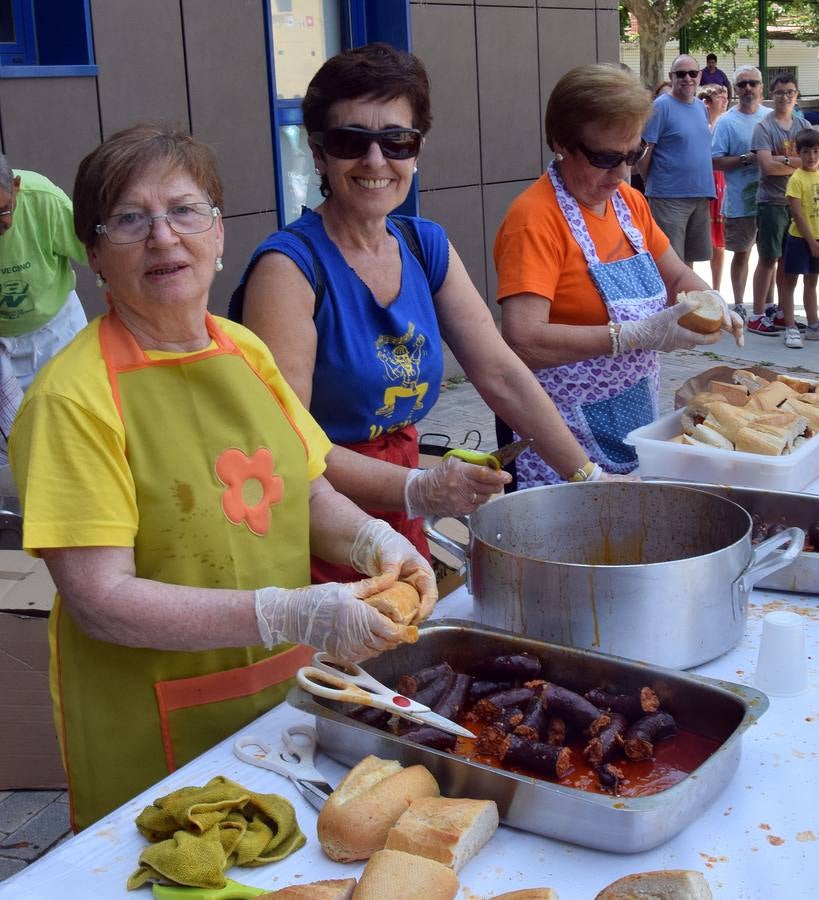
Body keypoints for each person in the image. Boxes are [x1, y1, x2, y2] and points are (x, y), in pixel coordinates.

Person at [8, 123, 436, 832]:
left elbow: (306, 489)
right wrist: (288, 612)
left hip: (281, 702)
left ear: (219, 233)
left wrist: (372, 541)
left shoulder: (243, 349)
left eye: (185, 210)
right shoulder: (70, 399)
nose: (164, 238)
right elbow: (100, 601)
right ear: (92, 254)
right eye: (129, 220)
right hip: (153, 730)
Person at [233, 43, 600, 577]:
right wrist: (418, 488)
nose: (376, 161)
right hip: (318, 520)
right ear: (318, 153)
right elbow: (291, 445)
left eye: (396, 141)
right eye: (349, 141)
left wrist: (588, 476)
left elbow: (500, 372)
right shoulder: (289, 270)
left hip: (401, 508)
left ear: (417, 149)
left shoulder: (425, 245)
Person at [494, 65, 743, 483]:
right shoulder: (534, 219)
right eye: (605, 158)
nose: (621, 174)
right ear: (560, 142)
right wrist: (629, 337)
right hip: (557, 434)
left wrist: (712, 299)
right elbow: (523, 340)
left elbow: (677, 275)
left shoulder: (629, 203)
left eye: (632, 155)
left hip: (630, 415)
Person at [0, 157, 89, 457]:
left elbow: (99, 256)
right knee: (14, 444)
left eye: (1, 211)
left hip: (57, 327)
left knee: (76, 420)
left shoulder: (45, 201)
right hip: (2, 339)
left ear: (16, 188)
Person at [637, 55, 716, 268]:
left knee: (689, 263)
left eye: (692, 73)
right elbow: (643, 153)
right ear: (672, 77)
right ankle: (673, 303)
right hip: (669, 198)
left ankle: (688, 302)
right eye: (681, 74)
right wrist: (653, 184)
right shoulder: (660, 107)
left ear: (700, 76)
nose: (687, 78)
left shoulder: (701, 107)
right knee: (670, 263)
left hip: (700, 196)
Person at [749, 72, 808, 336]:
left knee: (789, 260)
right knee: (768, 258)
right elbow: (766, 167)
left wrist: (781, 160)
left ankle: (785, 313)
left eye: (790, 92)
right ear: (772, 96)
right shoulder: (763, 127)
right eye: (780, 92)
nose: (785, 96)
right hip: (771, 203)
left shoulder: (803, 126)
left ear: (796, 96)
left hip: (797, 203)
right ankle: (758, 314)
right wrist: (794, 163)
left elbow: (813, 164)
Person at [710, 66, 770, 321]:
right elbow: (714, 161)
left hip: (772, 200)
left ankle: (768, 305)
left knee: (770, 255)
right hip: (740, 203)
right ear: (735, 89)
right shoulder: (726, 121)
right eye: (743, 84)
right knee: (742, 253)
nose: (748, 88)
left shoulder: (771, 117)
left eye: (753, 83)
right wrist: (746, 159)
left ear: (761, 87)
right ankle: (739, 304)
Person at [779, 129, 819, 349]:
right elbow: (797, 213)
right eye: (806, 152)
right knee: (790, 281)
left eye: (816, 151)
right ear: (798, 152)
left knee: (812, 282)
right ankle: (790, 327)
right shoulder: (796, 179)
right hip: (799, 239)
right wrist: (811, 241)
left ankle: (814, 326)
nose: (812, 157)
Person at [698, 84, 728, 291]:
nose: (725, 100)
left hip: (722, 181)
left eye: (727, 96)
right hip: (704, 181)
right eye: (720, 97)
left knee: (720, 243)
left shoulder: (725, 125)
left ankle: (716, 289)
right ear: (706, 102)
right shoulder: (701, 127)